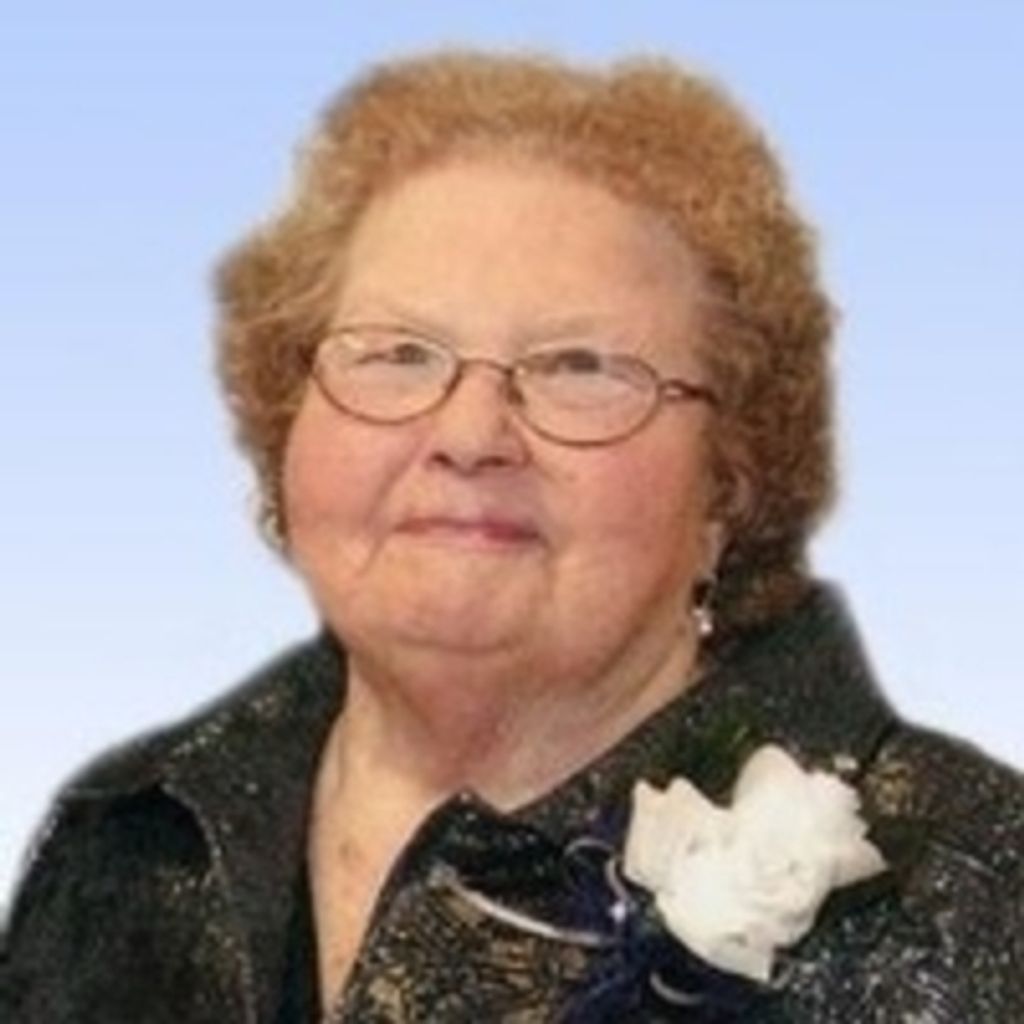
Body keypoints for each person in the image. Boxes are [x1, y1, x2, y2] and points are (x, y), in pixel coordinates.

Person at [2, 50, 1021, 1024]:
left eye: (578, 367)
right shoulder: (136, 834)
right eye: (398, 354)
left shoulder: (970, 892)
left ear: (729, 480)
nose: (468, 435)